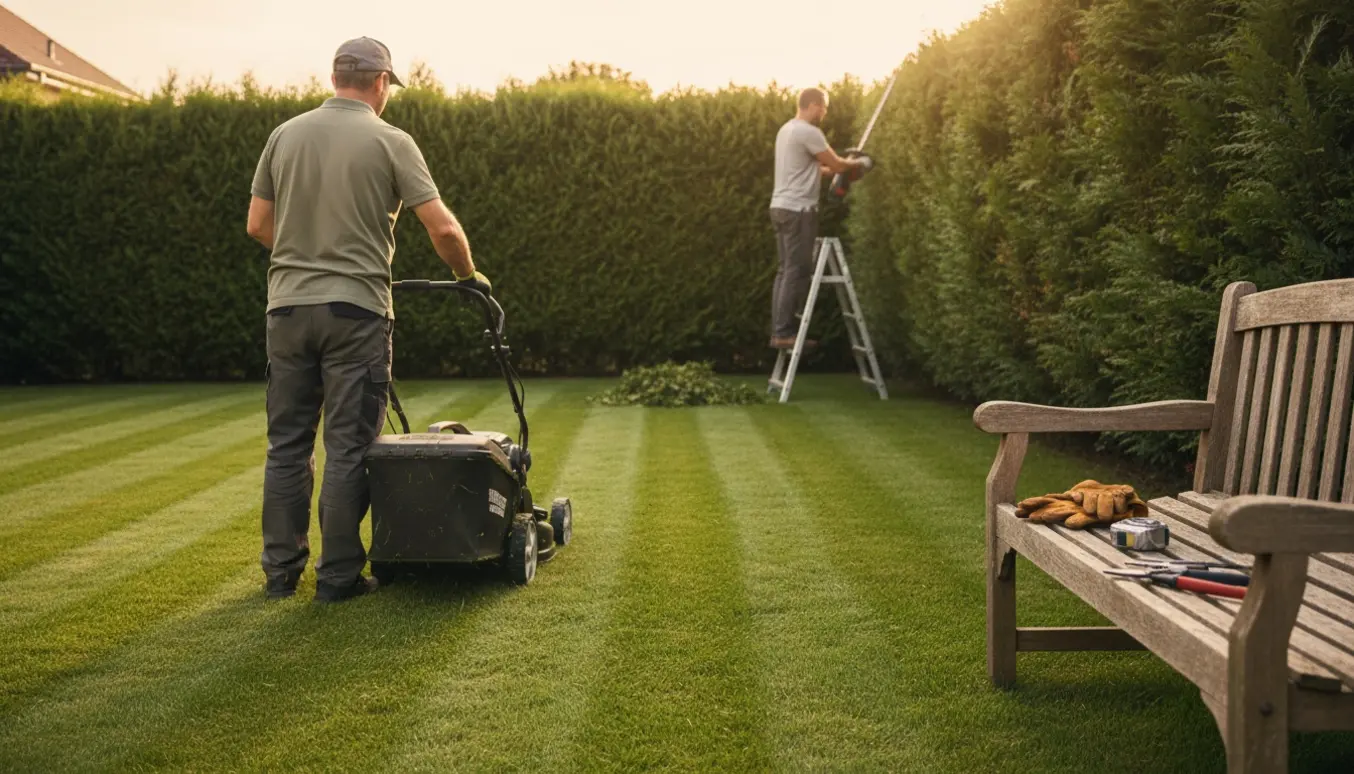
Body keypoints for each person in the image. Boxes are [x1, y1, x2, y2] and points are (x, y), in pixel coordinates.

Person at [246, 37, 490, 603]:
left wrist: (307, 254)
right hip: (354, 312)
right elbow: (445, 230)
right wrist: (467, 277)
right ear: (380, 82)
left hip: (285, 310)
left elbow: (258, 224)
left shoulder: (284, 135)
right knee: (350, 447)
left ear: (335, 77)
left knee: (287, 445)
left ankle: (280, 576)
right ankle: (338, 579)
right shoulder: (390, 140)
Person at [768, 87, 867, 349]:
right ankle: (783, 333)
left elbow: (815, 169)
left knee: (785, 269)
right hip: (798, 210)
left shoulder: (786, 130)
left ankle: (779, 330)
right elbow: (836, 165)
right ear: (813, 104)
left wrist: (844, 166)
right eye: (823, 106)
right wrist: (859, 164)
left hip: (780, 207)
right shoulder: (808, 132)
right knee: (796, 270)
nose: (825, 112)